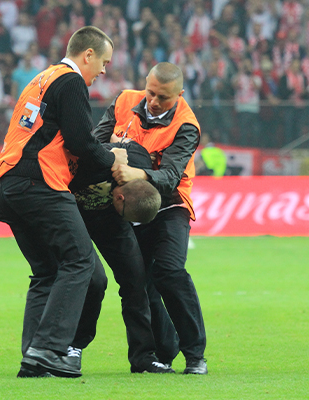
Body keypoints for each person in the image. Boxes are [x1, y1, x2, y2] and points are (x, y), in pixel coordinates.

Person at [0, 26, 128, 379]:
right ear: (88, 55)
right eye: (104, 62)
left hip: (7, 185)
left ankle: (34, 357)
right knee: (80, 262)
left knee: (50, 272)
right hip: (40, 184)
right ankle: (50, 349)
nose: (104, 72)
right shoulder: (71, 81)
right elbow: (82, 141)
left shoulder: (42, 78)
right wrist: (114, 160)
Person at [92, 62, 208, 375]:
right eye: (151, 92)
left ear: (180, 95)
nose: (154, 101)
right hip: (129, 205)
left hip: (170, 205)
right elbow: (95, 142)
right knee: (140, 283)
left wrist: (136, 172)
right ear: (146, 83)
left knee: (169, 271)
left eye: (164, 97)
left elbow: (171, 176)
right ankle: (163, 351)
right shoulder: (123, 101)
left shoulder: (186, 125)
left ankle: (195, 355)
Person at [68, 140, 175, 374]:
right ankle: (73, 346)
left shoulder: (137, 165)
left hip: (110, 221)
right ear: (120, 198)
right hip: (71, 216)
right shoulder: (96, 163)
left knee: (137, 281)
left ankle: (143, 356)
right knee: (94, 280)